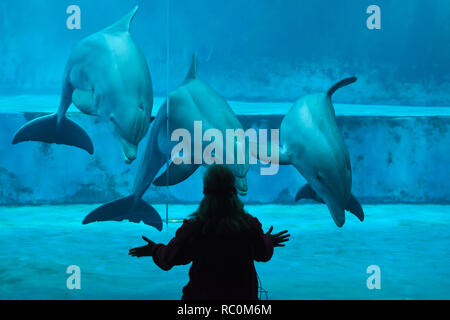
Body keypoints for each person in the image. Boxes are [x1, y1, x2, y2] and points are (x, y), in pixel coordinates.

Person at [129, 164, 290, 300]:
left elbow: (170, 258)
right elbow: (262, 253)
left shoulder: (194, 228)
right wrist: (268, 240)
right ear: (233, 189)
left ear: (205, 190)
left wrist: (154, 250)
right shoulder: (248, 225)